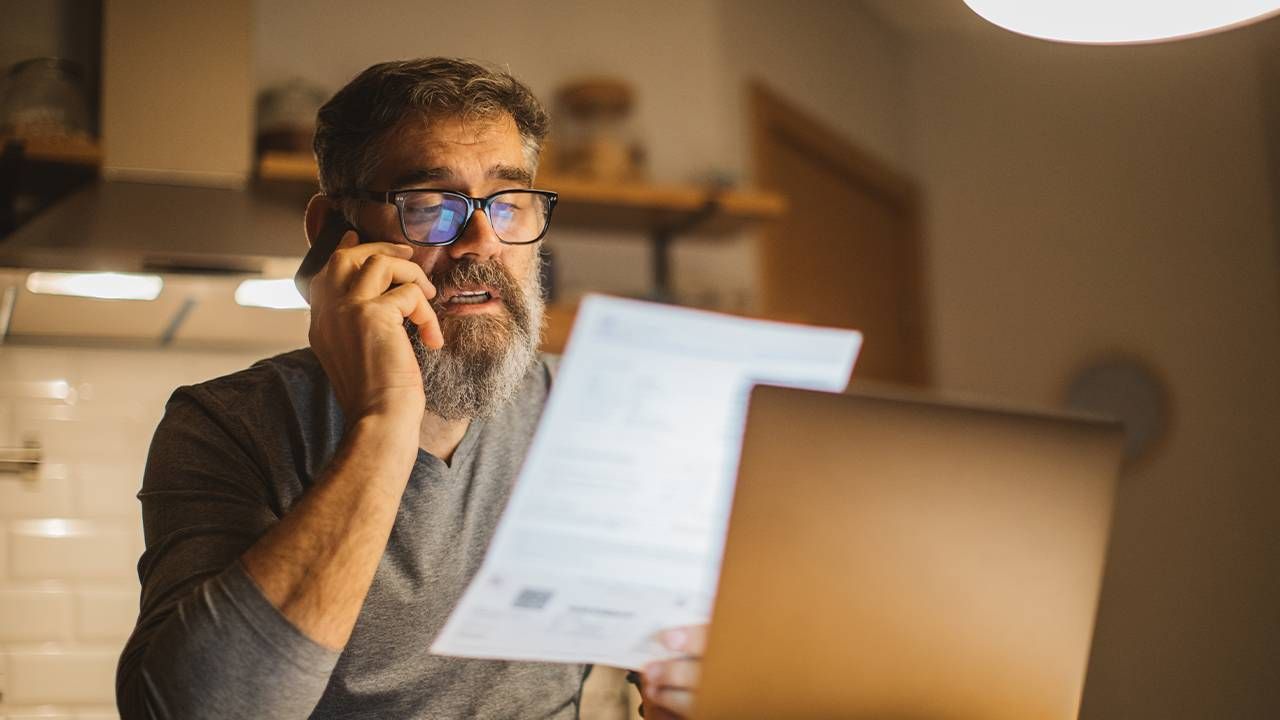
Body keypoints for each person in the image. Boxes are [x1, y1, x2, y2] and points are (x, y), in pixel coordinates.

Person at [116, 57, 705, 720]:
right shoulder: (228, 426)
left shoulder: (591, 415)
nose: (481, 241)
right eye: (431, 207)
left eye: (508, 204)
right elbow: (190, 711)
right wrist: (386, 422)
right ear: (332, 232)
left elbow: (684, 658)